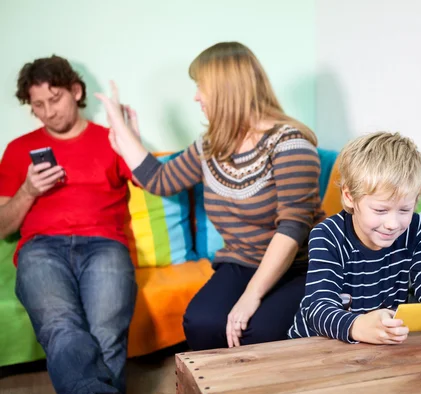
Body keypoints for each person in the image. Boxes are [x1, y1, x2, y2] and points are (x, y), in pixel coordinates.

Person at [96, 41, 325, 350]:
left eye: (200, 86)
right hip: (242, 261)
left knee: (256, 331)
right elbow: (160, 180)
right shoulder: (212, 147)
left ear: (223, 89)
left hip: (299, 265)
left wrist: (251, 296)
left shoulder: (290, 145)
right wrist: (122, 131)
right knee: (202, 321)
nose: (196, 96)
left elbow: (293, 228)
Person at [0, 56, 137, 394]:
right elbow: (2, 228)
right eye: (38, 105)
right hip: (41, 249)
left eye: (55, 98)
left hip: (104, 244)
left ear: (76, 91)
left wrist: (130, 139)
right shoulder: (18, 150)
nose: (48, 112)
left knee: (106, 333)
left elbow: (155, 183)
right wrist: (29, 190)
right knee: (60, 326)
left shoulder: (111, 140)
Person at [288, 132, 421, 344]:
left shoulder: (416, 229)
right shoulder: (327, 235)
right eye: (381, 210)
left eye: (404, 210)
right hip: (316, 345)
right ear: (349, 196)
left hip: (380, 345)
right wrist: (357, 326)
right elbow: (318, 308)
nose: (392, 224)